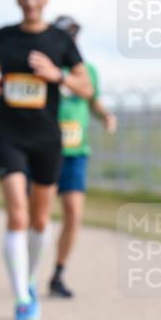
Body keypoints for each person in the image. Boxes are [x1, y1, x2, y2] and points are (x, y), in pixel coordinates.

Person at [0, 0, 93, 320]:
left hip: (46, 137)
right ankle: (23, 301)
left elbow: (86, 86)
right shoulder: (5, 36)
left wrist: (56, 75)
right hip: (9, 133)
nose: (30, 1)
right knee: (17, 215)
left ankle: (28, 279)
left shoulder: (59, 41)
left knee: (40, 220)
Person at [49, 15, 117, 298]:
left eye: (74, 35)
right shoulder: (46, 68)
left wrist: (105, 116)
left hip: (76, 151)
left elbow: (92, 99)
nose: (71, 40)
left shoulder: (87, 70)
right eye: (65, 34)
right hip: (46, 150)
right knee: (36, 217)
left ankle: (58, 273)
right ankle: (25, 270)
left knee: (74, 215)